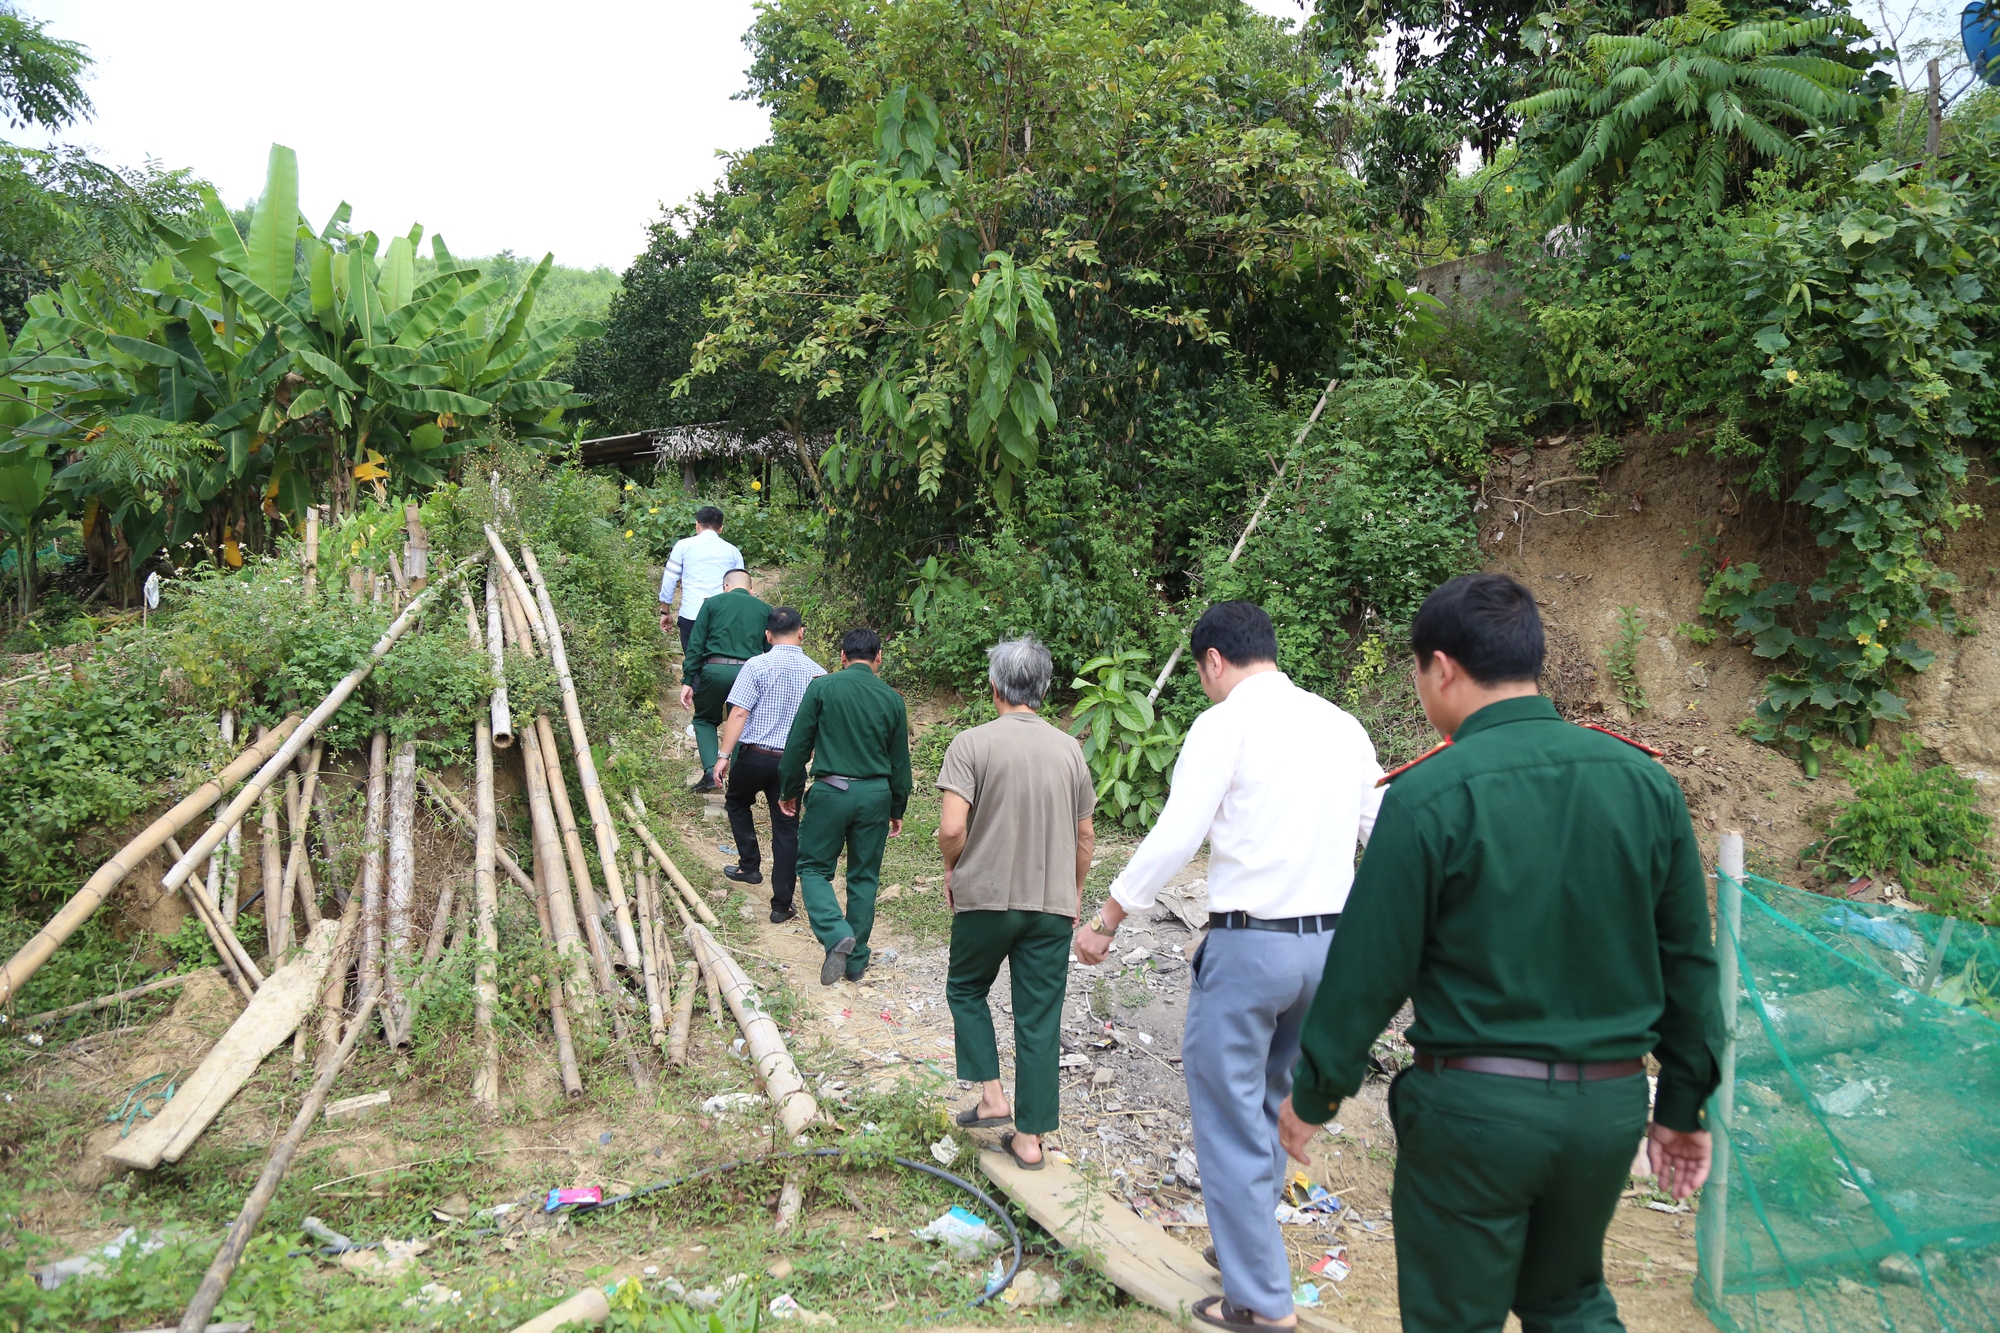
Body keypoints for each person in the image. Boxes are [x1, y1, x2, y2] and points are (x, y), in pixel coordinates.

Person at [1281, 573, 1722, 1333]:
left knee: (1456, 1317)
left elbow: (1369, 967)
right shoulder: (1645, 784)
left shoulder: (1429, 795)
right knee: (1570, 1298)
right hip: (1608, 1109)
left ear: (1442, 666)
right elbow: (1688, 961)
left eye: (1418, 672)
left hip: (1475, 1114)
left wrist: (1316, 1094)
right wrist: (1682, 1104)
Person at [1073, 602, 1383, 1332]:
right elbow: (1388, 823)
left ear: (1213, 659)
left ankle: (1262, 1304)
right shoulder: (1341, 725)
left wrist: (1109, 916)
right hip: (1331, 949)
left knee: (1226, 1112)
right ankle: (1247, 1247)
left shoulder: (1224, 724)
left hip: (1252, 949)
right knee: (1277, 1102)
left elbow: (1179, 831)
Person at [938, 637, 1096, 1171]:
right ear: (1045, 689)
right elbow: (1086, 837)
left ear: (994, 686)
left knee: (965, 988)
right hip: (1052, 903)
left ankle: (991, 1096)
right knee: (1039, 1019)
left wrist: (953, 869)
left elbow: (953, 827)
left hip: (985, 898)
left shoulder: (971, 743)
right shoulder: (1069, 750)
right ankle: (1030, 1142)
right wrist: (1072, 897)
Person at [777, 627, 910, 986]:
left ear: (842, 656)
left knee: (814, 868)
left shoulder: (822, 687)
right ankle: (856, 963)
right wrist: (898, 806)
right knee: (864, 878)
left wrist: (789, 787)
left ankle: (835, 932)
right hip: (875, 797)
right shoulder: (892, 699)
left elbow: (798, 744)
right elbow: (900, 762)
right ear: (878, 658)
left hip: (831, 792)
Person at [713, 605, 826, 922]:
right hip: (790, 764)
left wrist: (724, 756)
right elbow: (820, 726)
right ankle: (781, 905)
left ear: (767, 635)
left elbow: (738, 713)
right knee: (786, 829)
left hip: (753, 755)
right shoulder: (818, 673)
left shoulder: (756, 665)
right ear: (801, 632)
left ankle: (749, 866)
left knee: (737, 803)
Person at [679, 569, 771, 791]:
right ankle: (736, 782)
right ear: (751, 589)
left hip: (715, 670)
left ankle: (711, 772)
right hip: (749, 673)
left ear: (725, 587)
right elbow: (769, 648)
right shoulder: (765, 609)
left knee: (704, 720)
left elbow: (696, 644)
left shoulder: (712, 604)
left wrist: (688, 679)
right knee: (742, 723)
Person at [658, 505, 744, 655]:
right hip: (723, 617)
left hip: (692, 614)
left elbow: (670, 579)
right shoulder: (733, 551)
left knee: (693, 664)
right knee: (719, 661)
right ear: (721, 528)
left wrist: (665, 612)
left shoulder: (683, 546)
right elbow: (741, 588)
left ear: (697, 524)